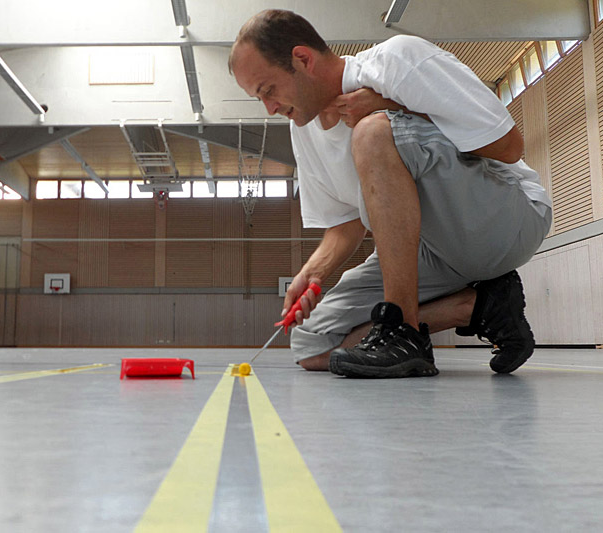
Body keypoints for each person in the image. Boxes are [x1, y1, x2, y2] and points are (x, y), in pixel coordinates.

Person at [229, 9, 552, 378]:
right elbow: (346, 225)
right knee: (313, 345)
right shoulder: (304, 129)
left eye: (268, 90)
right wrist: (313, 272)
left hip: (505, 221)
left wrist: (392, 106)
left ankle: (403, 330)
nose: (270, 108)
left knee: (373, 133)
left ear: (302, 59)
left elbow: (509, 147)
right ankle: (478, 307)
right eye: (260, 99)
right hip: (434, 253)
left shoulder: (397, 60)